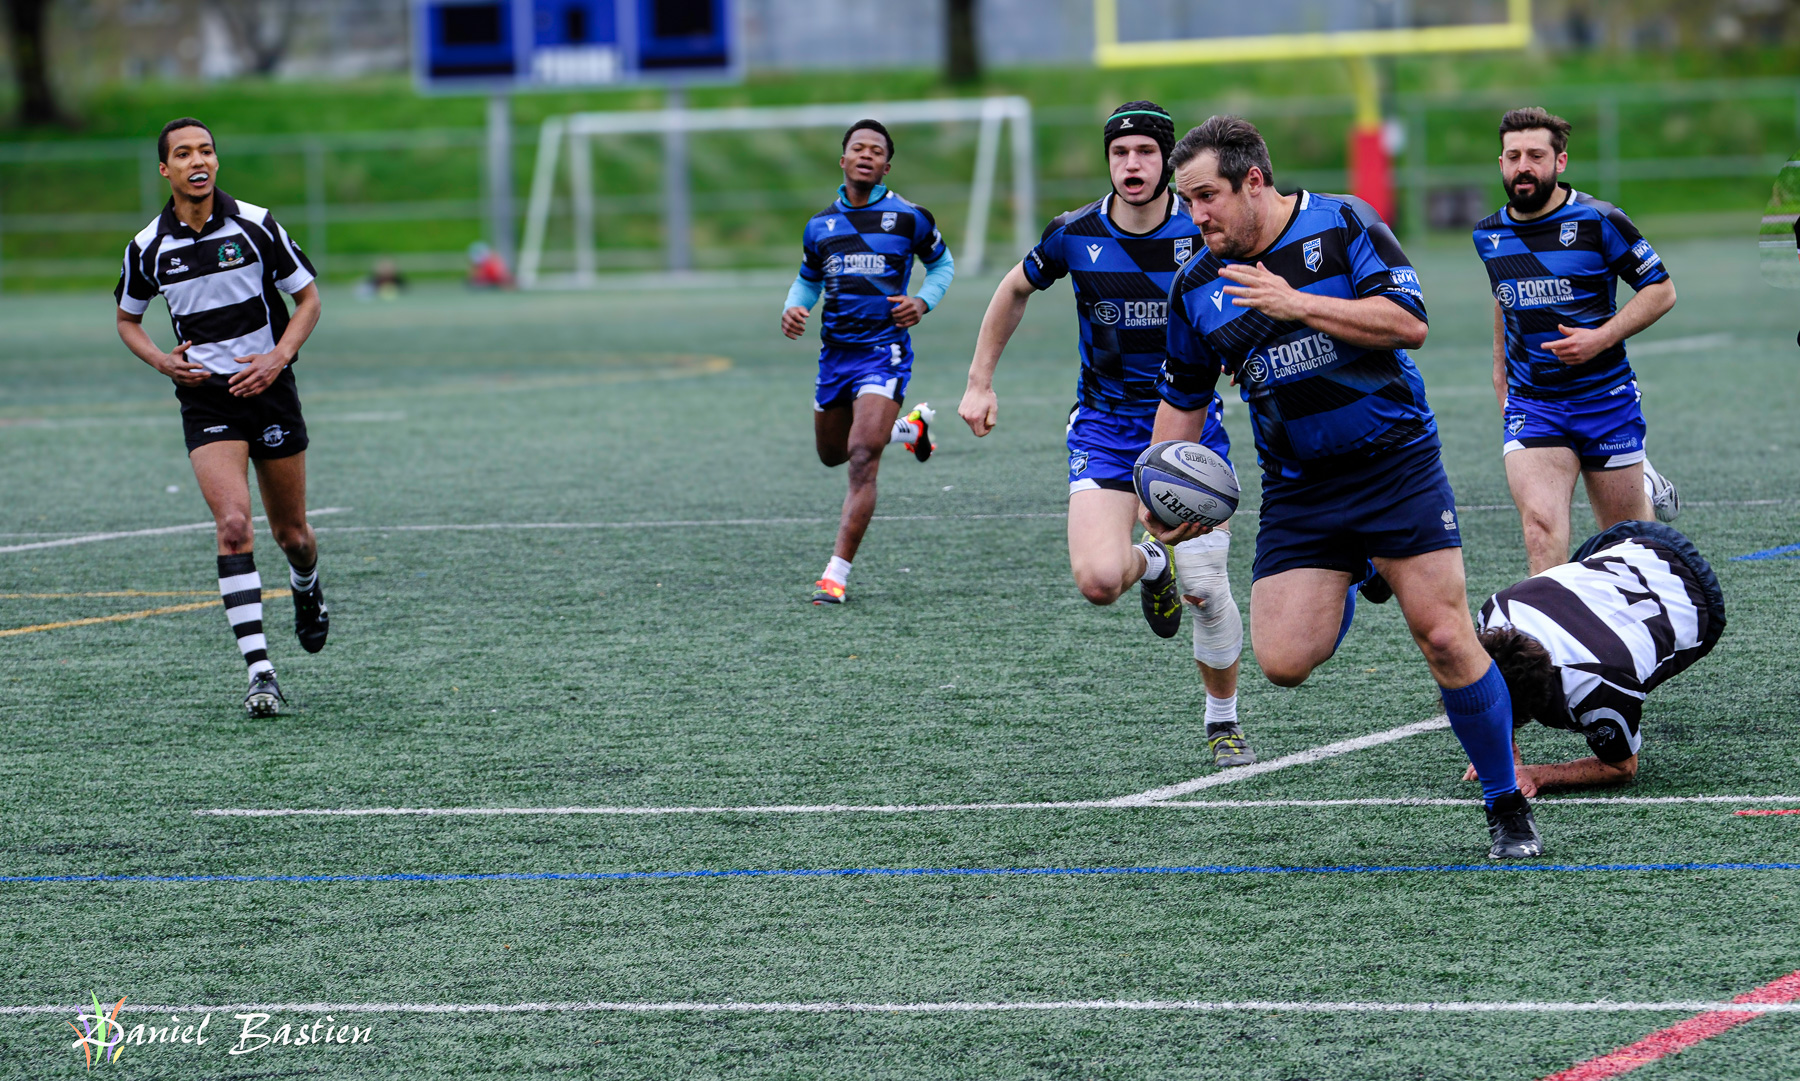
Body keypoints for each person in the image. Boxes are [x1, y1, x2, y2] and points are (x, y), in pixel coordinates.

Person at [1149, 115, 1542, 859]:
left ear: (1253, 182)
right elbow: (1182, 404)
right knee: (1283, 662)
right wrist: (1157, 493)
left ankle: (1504, 801)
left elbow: (1408, 322)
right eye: (1187, 200)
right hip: (1300, 488)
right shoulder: (1196, 286)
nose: (1194, 215)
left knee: (1443, 636)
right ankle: (1362, 568)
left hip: (1396, 465)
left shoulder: (1343, 223)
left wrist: (1296, 302)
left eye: (1205, 197)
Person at [959, 101, 1254, 768]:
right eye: (1120, 153)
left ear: (1168, 162)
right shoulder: (1075, 233)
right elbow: (1013, 289)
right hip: (1105, 425)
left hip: (1188, 430)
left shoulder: (1203, 230)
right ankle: (1153, 564)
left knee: (1206, 587)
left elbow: (1251, 291)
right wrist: (979, 381)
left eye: (1145, 152)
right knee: (1097, 580)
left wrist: (1243, 349)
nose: (1132, 164)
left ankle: (1223, 720)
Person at [114, 117, 330, 718]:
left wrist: (278, 357)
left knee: (293, 535)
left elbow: (308, 299)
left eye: (206, 150)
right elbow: (128, 319)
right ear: (166, 169)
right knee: (234, 524)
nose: (198, 160)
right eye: (184, 153)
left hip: (270, 390)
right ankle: (261, 673)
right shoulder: (147, 247)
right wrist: (162, 361)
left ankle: (307, 585)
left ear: (216, 161)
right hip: (206, 398)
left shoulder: (256, 224)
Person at [1476, 107, 1681, 576]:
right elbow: (1503, 296)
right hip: (1534, 403)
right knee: (1540, 529)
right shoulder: (1487, 234)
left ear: (1560, 161)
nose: (1523, 166)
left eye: (1536, 155)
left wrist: (1600, 338)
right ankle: (1552, 625)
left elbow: (1661, 290)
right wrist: (1499, 371)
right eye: (1513, 156)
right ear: (1501, 163)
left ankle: (1644, 487)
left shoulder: (1599, 219)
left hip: (1604, 399)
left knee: (1628, 543)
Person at [782, 119, 955, 604]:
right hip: (836, 355)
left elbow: (942, 264)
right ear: (843, 160)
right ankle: (910, 429)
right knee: (833, 453)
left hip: (884, 351)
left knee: (861, 456)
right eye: (858, 148)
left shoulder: (909, 218)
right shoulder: (820, 226)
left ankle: (834, 575)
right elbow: (808, 280)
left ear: (886, 167)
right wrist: (794, 306)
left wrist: (922, 302)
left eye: (876, 151)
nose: (866, 155)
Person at [1471, 519, 1725, 794]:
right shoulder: (1495, 610)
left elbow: (1622, 767)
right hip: (1630, 541)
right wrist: (1505, 752)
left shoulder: (1597, 686)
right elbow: (1492, 674)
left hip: (1700, 599)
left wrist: (1537, 774)